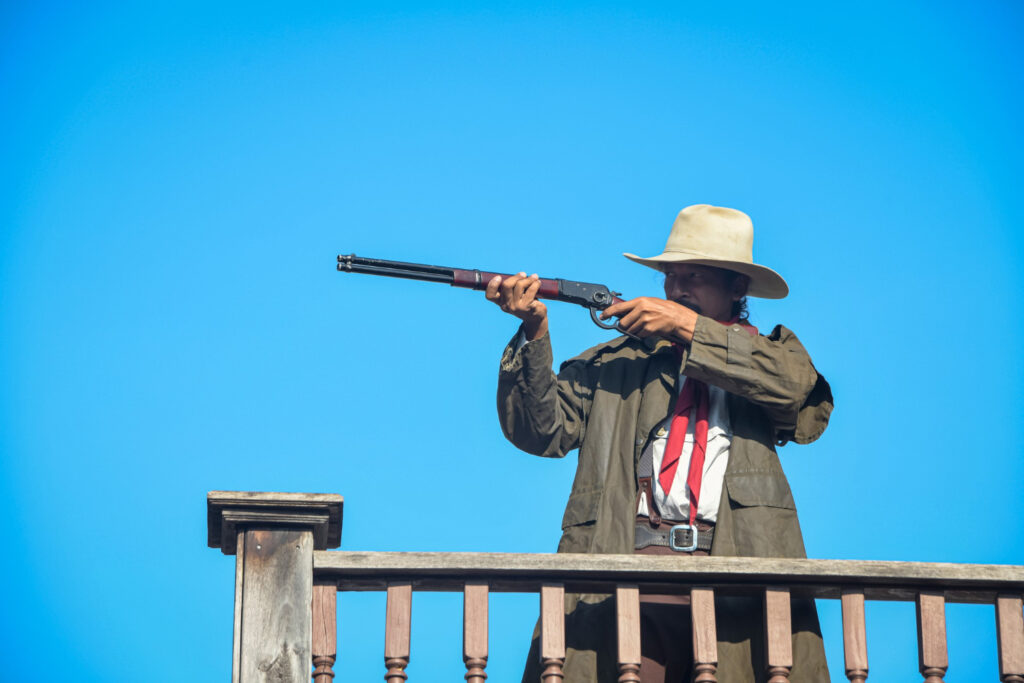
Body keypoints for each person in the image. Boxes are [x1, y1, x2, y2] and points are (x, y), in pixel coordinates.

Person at [485, 204, 834, 683]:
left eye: (693, 276)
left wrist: (685, 329)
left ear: (738, 287)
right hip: (623, 571)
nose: (675, 289)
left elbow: (796, 390)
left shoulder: (771, 357)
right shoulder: (616, 360)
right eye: (670, 276)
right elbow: (541, 431)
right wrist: (534, 331)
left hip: (737, 575)